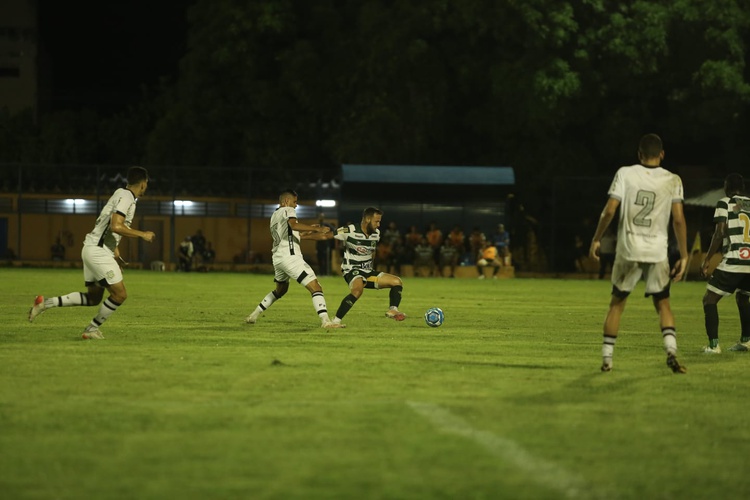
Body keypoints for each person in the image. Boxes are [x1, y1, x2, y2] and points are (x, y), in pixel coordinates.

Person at [589, 133, 688, 374]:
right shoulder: (673, 179)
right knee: (663, 303)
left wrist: (596, 238)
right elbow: (678, 219)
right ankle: (671, 352)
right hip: (657, 249)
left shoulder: (625, 173)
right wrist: (684, 255)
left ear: (639, 154)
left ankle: (607, 359)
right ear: (662, 154)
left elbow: (609, 211)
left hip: (628, 248)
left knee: (617, 304)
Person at [28, 166, 156, 339]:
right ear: (143, 184)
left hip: (92, 249)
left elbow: (109, 229)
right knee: (120, 295)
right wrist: (142, 234)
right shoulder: (127, 198)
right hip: (97, 252)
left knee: (93, 298)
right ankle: (91, 329)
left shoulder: (120, 194)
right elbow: (116, 226)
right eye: (146, 184)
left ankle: (44, 304)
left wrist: (115, 255)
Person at [245, 189, 343, 328]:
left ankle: (253, 315)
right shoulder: (288, 210)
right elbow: (294, 225)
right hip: (290, 257)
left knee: (280, 290)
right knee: (316, 287)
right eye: (295, 202)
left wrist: (309, 231)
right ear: (286, 201)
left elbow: (295, 233)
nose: (296, 205)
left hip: (278, 259)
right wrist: (316, 229)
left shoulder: (274, 215)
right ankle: (326, 321)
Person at [700, 173, 750, 353]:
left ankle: (713, 346)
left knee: (709, 299)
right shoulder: (748, 205)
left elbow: (719, 232)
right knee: (743, 298)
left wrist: (707, 259)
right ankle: (746, 341)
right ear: (742, 188)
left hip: (735, 258)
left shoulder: (725, 202)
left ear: (726, 187)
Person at [330, 207, 406, 325]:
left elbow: (373, 252)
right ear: (367, 219)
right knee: (357, 290)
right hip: (351, 270)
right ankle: (335, 322)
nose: (379, 224)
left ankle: (393, 310)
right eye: (377, 221)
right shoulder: (349, 230)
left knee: (397, 281)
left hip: (368, 272)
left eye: (380, 221)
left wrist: (370, 266)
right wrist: (302, 235)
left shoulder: (376, 234)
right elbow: (326, 235)